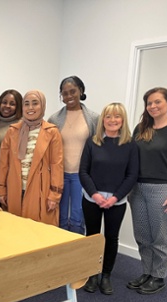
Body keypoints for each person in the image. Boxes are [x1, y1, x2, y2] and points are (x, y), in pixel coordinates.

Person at [127, 87, 167, 295]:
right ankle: (146, 272)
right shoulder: (141, 128)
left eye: (157, 102)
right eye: (149, 103)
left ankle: (159, 276)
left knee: (161, 237)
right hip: (137, 189)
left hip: (163, 190)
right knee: (143, 236)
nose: (153, 106)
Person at [79, 103, 139, 294]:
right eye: (108, 117)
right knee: (93, 237)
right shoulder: (92, 141)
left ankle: (106, 276)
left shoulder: (130, 145)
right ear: (102, 120)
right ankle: (92, 275)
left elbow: (132, 175)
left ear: (123, 120)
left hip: (117, 201)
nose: (112, 120)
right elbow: (83, 171)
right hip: (92, 198)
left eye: (117, 117)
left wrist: (114, 198)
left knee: (111, 238)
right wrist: (95, 195)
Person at [0, 90, 64, 226]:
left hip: (40, 190)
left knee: (37, 232)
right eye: (26, 104)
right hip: (14, 189)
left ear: (42, 106)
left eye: (35, 103)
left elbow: (57, 165)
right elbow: (3, 163)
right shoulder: (12, 131)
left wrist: (55, 195)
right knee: (14, 229)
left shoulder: (52, 132)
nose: (30, 108)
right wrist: (1, 189)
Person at [48, 76, 99, 234]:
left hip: (82, 175)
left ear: (81, 91)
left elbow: (99, 147)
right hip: (60, 174)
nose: (69, 96)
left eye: (72, 92)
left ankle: (76, 255)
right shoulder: (54, 119)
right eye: (65, 93)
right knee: (60, 217)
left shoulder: (93, 118)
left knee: (78, 218)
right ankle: (60, 254)